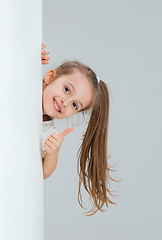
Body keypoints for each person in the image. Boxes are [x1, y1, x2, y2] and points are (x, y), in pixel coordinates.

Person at [41, 44, 119, 216]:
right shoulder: (27, 83)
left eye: (75, 105)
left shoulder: (48, 132)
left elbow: (44, 172)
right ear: (49, 76)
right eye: (67, 90)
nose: (65, 102)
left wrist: (54, 151)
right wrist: (31, 58)